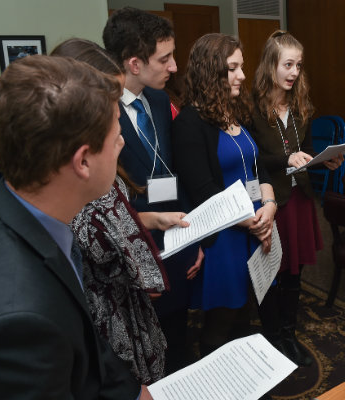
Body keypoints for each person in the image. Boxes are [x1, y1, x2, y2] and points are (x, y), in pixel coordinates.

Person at [0, 55, 148, 399]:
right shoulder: (16, 329)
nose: (121, 144)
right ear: (82, 161)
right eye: (116, 134)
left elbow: (81, 336)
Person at [51, 38, 194, 385]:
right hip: (108, 337)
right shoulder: (68, 190)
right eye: (110, 107)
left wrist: (150, 219)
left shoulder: (103, 174)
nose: (119, 128)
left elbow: (111, 222)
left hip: (136, 322)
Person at [103, 7, 204, 373]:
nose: (174, 67)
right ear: (133, 63)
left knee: (178, 342)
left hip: (175, 238)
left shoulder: (160, 100)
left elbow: (176, 173)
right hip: (132, 251)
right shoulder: (99, 113)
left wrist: (195, 240)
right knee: (144, 356)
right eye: (165, 58)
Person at [172, 33, 276, 355]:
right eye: (233, 68)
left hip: (256, 225)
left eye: (241, 67)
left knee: (247, 315)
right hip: (225, 237)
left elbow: (260, 167)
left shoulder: (237, 110)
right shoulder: (190, 122)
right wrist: (253, 222)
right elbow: (204, 191)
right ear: (210, 71)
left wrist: (270, 206)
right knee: (222, 322)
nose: (242, 76)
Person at [251, 30, 342, 366]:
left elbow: (301, 151)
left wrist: (323, 158)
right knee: (270, 271)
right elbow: (251, 158)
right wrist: (284, 160)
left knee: (294, 272)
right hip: (271, 201)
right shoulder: (251, 108)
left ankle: (288, 333)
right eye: (287, 64)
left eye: (298, 66)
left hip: (300, 199)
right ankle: (272, 335)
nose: (293, 72)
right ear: (270, 65)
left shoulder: (300, 105)